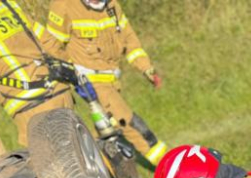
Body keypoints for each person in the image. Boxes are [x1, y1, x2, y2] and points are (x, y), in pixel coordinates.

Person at [40, 0, 168, 166]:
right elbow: (52, 45)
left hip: (112, 79)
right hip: (90, 80)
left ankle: (98, 173)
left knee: (103, 131)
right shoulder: (64, 5)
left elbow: (129, 39)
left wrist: (146, 68)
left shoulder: (112, 5)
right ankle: (171, 166)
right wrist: (73, 74)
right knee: (128, 122)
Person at [0, 0, 73, 146]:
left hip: (32, 104)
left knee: (56, 165)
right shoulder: (2, 2)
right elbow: (47, 39)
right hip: (59, 90)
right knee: (83, 156)